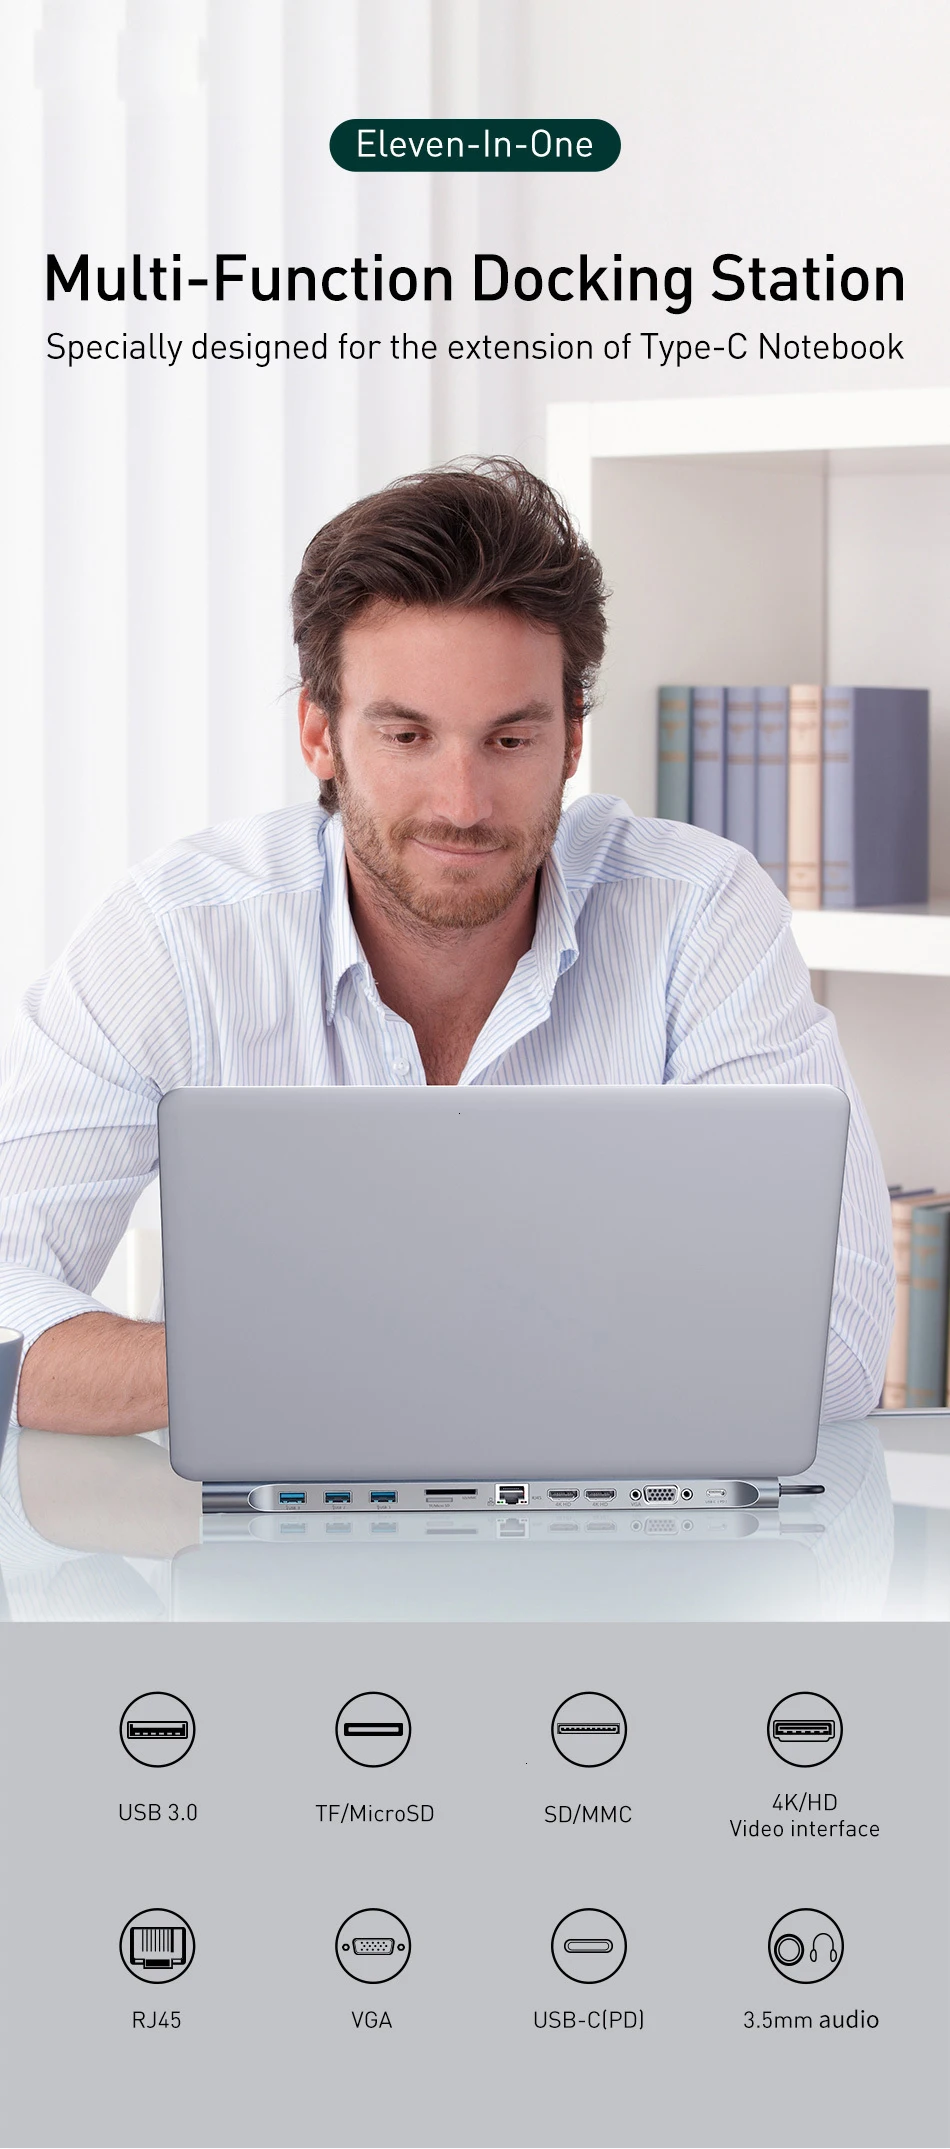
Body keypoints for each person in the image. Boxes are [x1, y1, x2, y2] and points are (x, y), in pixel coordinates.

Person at [0, 458, 893, 1435]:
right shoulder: (178, 935)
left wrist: (344, 1348)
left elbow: (834, 1351)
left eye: (509, 740)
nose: (463, 806)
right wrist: (318, 1353)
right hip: (280, 1525)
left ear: (571, 739)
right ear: (319, 734)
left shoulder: (699, 916)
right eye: (408, 737)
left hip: (612, 1527)